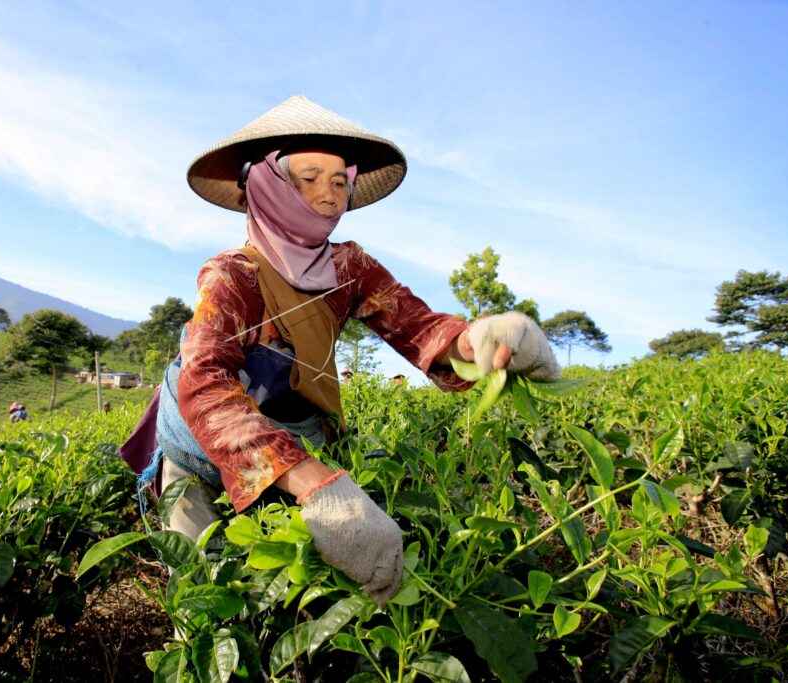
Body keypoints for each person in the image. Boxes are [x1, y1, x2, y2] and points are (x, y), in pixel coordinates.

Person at [120, 96, 559, 606]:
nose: (329, 196)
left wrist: (478, 339)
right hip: (198, 442)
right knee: (205, 593)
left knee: (290, 587)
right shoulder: (232, 276)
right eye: (308, 178)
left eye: (338, 182)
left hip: (292, 429)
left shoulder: (349, 268)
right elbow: (205, 381)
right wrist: (312, 481)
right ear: (266, 184)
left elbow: (415, 325)